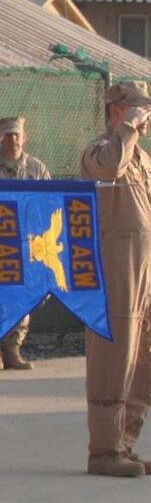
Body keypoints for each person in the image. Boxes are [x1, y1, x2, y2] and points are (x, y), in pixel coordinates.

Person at [79, 82, 151, 474]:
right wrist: (126, 129)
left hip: (145, 269)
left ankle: (125, 443)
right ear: (117, 110)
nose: (145, 118)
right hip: (116, 267)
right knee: (114, 354)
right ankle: (104, 450)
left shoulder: (143, 159)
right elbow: (111, 166)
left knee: (141, 355)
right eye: (137, 110)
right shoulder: (100, 151)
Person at [0, 115, 52, 371]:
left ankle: (12, 349)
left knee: (23, 296)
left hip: (25, 242)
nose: (13, 139)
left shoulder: (36, 169)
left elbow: (48, 203)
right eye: (8, 134)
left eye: (17, 134)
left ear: (25, 137)